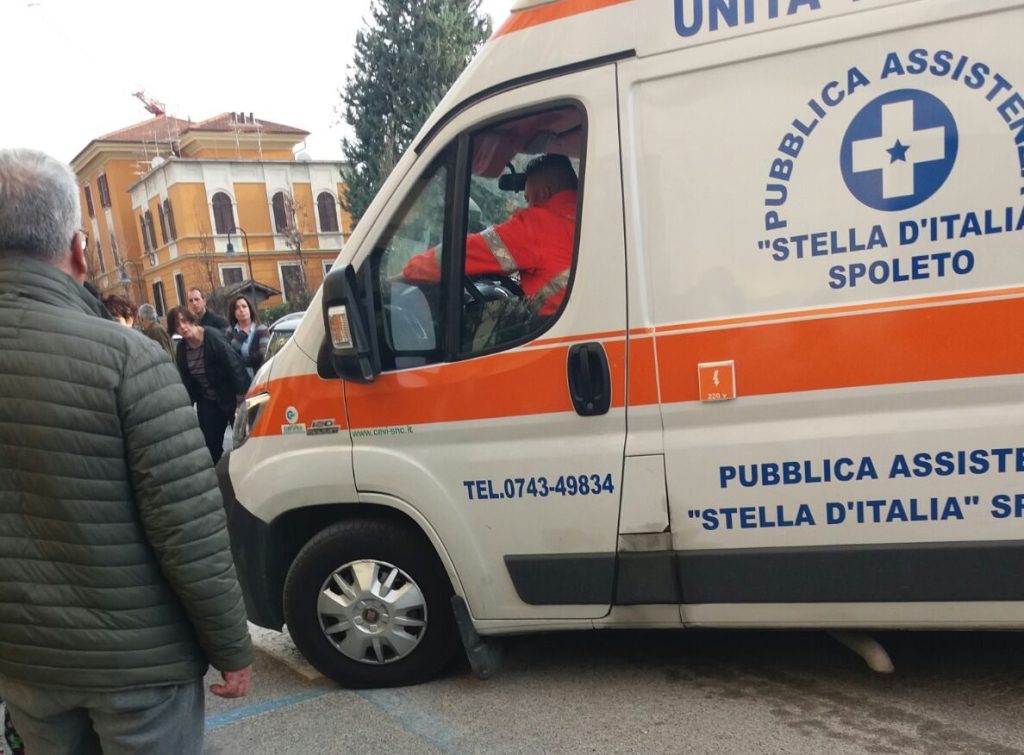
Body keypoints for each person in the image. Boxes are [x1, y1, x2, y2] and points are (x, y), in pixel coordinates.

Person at [0, 148, 253, 754]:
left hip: (26, 665)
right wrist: (230, 647)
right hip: (140, 667)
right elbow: (187, 527)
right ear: (79, 249)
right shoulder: (127, 361)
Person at [403, 153, 578, 317]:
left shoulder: (538, 225)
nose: (527, 206)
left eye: (527, 199)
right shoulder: (590, 218)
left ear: (544, 193)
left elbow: (464, 253)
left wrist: (408, 272)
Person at [167, 305, 251, 464]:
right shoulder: (182, 349)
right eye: (177, 325)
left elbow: (235, 367)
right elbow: (187, 382)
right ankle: (215, 478)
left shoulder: (212, 337)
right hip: (207, 401)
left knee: (243, 441)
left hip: (231, 397)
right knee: (210, 445)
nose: (182, 327)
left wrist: (241, 403)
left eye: (184, 321)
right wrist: (185, 410)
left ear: (191, 320)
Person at [227, 293, 270, 377]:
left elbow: (262, 355)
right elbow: (228, 355)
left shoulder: (261, 330)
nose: (241, 310)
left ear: (250, 309)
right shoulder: (230, 332)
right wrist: (242, 335)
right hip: (238, 380)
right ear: (233, 313)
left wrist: (239, 362)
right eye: (237, 308)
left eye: (244, 306)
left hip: (259, 377)